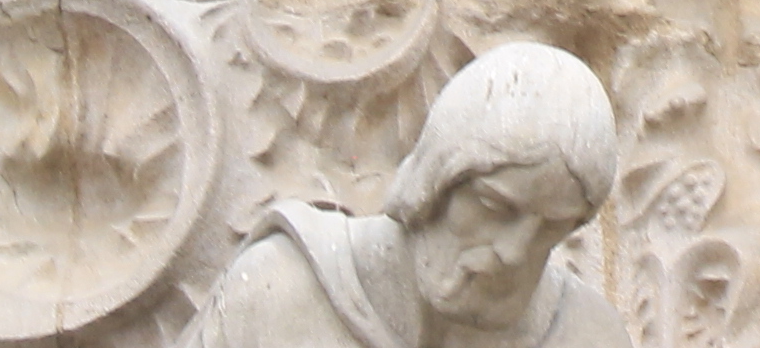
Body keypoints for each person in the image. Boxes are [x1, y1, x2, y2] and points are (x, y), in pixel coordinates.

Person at [191, 43, 625, 348]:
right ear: (434, 183)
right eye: (495, 207)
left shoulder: (585, 335)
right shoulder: (279, 290)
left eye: (551, 229)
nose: (514, 253)